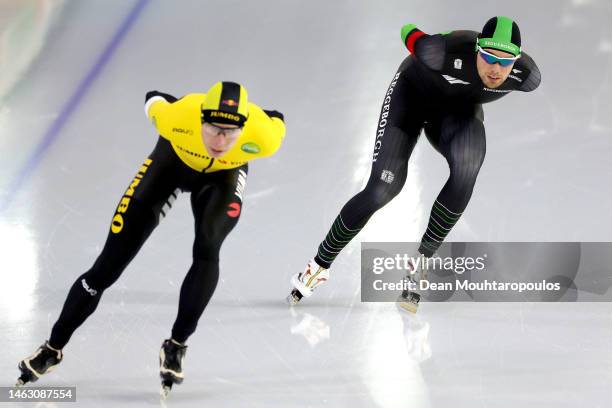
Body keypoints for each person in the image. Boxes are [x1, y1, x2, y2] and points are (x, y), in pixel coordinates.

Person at [16, 81, 285, 397]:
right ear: (200, 119)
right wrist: (170, 103)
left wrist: (260, 117)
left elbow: (276, 116)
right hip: (170, 165)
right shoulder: (176, 117)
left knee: (208, 247)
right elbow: (153, 97)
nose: (221, 140)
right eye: (213, 129)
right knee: (106, 267)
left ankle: (177, 344)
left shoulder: (263, 138)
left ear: (244, 128)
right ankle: (52, 347)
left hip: (222, 178)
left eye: (231, 131)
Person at [288, 16, 541, 312]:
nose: (496, 69)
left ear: (518, 60)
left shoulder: (527, 76)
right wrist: (424, 41)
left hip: (455, 113)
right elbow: (407, 30)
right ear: (477, 50)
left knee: (468, 165)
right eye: (488, 57)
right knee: (383, 188)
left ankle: (420, 264)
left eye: (505, 61)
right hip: (410, 98)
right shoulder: (443, 50)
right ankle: (318, 267)